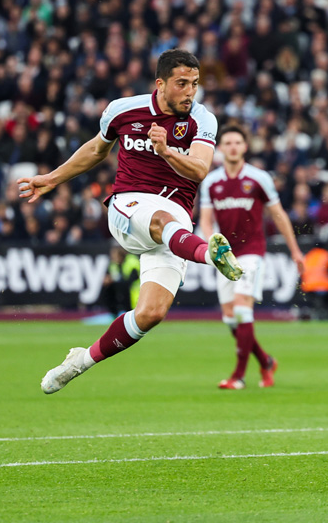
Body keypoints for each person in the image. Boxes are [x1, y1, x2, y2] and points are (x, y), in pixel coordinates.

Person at [22, 49, 243, 395]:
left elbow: (200, 169)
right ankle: (210, 255)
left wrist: (167, 151)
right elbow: (97, 150)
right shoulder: (122, 110)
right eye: (182, 84)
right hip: (130, 206)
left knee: (151, 313)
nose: (190, 92)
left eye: (195, 84)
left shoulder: (203, 119)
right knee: (161, 219)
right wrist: (53, 178)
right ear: (160, 84)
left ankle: (81, 360)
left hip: (175, 225)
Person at [198, 124, 303, 390]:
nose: (233, 147)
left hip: (252, 252)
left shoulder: (259, 178)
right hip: (225, 256)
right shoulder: (211, 182)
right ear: (220, 149)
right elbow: (206, 222)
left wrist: (295, 250)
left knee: (243, 308)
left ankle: (238, 376)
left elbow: (278, 215)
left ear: (245, 147)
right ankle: (266, 362)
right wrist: (213, 243)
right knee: (231, 318)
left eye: (237, 142)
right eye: (228, 143)